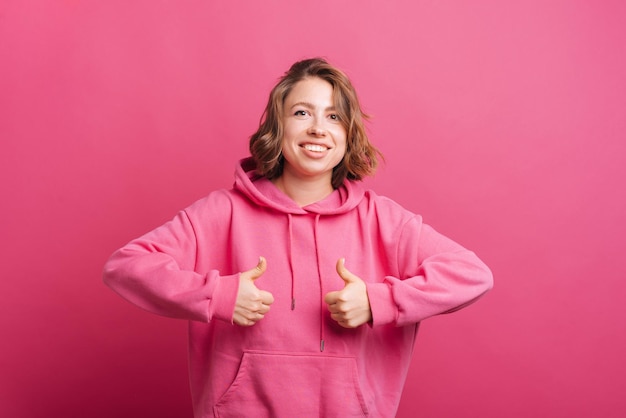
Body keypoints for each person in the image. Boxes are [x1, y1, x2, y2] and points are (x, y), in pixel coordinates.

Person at [103, 57, 493, 418]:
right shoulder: (222, 212)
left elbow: (471, 274)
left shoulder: (382, 219)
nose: (318, 128)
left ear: (347, 133)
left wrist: (381, 302)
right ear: (278, 126)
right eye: (302, 112)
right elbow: (126, 266)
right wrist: (217, 296)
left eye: (334, 117)